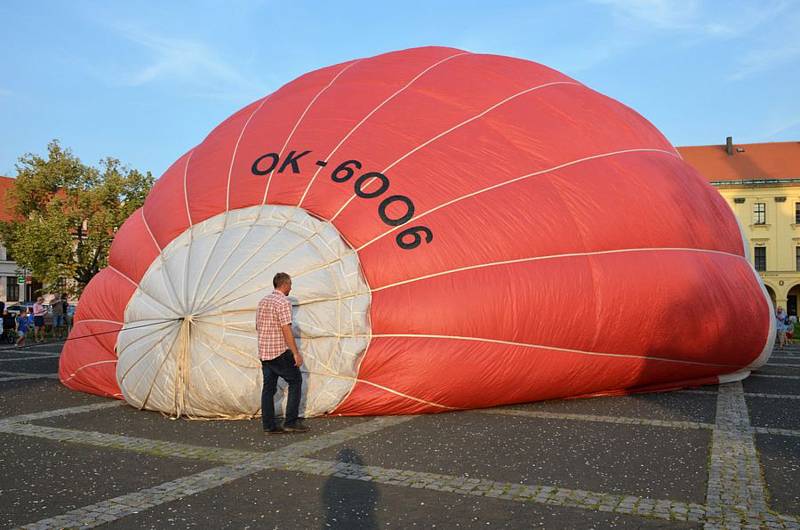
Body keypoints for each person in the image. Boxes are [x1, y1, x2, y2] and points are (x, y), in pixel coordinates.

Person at [256, 272, 308, 434]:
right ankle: (290, 422)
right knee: (296, 380)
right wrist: (295, 353)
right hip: (278, 351)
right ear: (284, 285)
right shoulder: (283, 302)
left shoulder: (263, 301)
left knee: (268, 389)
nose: (291, 288)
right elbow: (286, 328)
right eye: (290, 285)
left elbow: (258, 326)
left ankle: (269, 426)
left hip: (264, 352)